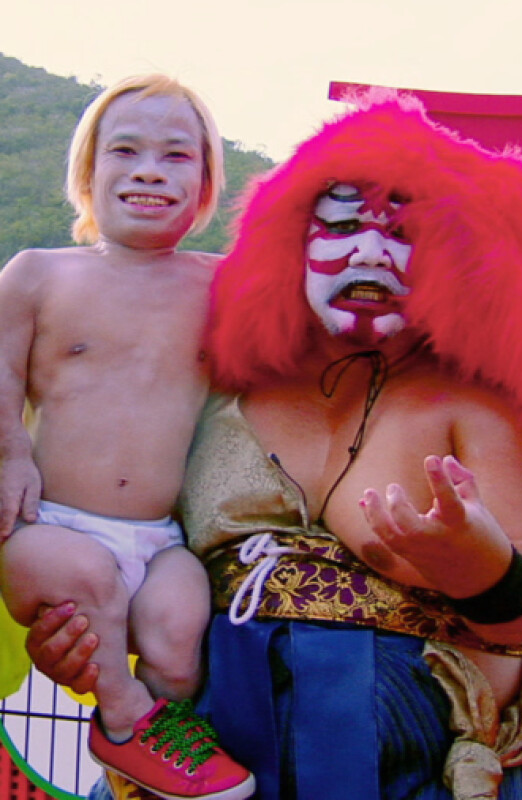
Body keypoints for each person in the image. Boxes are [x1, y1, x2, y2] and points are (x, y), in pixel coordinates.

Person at [26, 89, 522, 799]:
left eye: (404, 230)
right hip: (211, 761)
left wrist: (486, 569)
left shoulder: (478, 409)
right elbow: (124, 535)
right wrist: (81, 635)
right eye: (344, 225)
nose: (369, 251)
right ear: (291, 235)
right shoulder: (219, 384)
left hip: (402, 771)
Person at [0, 74, 254, 800]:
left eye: (176, 155)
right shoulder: (38, 274)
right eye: (125, 151)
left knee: (180, 627)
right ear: (87, 172)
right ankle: (121, 720)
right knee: (86, 575)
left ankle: (152, 758)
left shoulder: (223, 286)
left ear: (205, 185)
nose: (149, 170)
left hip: (158, 536)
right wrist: (9, 453)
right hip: (48, 527)